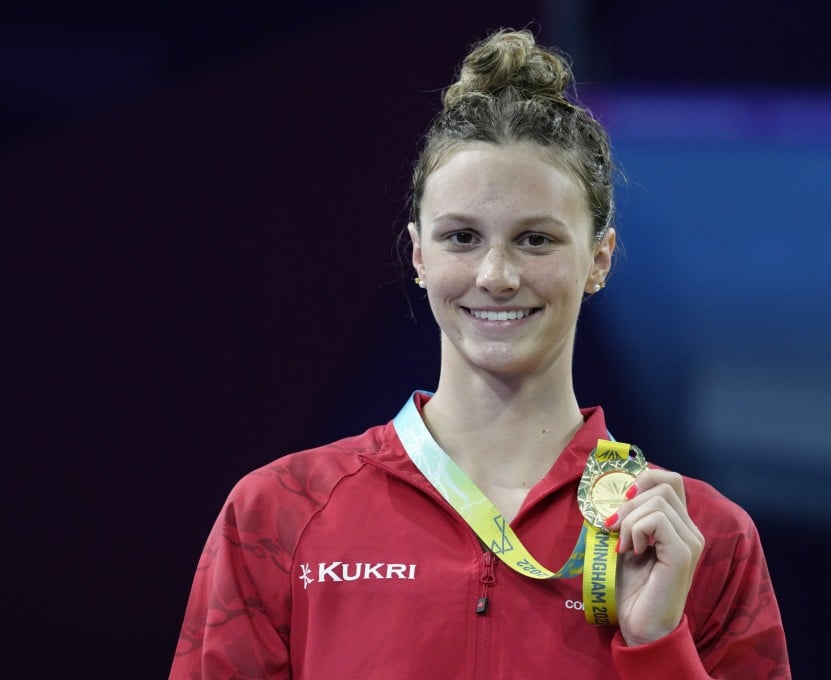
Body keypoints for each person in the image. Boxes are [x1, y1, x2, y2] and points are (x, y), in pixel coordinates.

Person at [170, 27, 790, 679]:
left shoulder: (703, 539)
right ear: (418, 254)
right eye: (462, 237)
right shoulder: (279, 514)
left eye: (537, 240)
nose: (496, 275)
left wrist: (657, 644)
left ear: (599, 259)